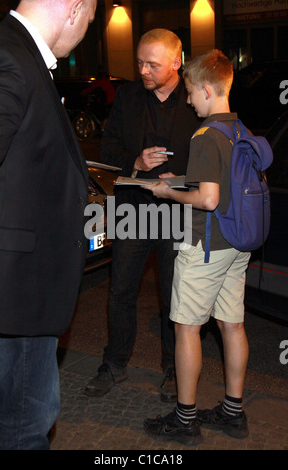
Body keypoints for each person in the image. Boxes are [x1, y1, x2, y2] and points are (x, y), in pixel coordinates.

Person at [0, 0, 97, 450]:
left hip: (24, 288)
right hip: (18, 287)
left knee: (30, 411)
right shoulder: (6, 57)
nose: (85, 31)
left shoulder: (21, 56)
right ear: (74, 9)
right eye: (90, 20)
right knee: (27, 420)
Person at [84, 29, 200, 402]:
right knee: (120, 291)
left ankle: (172, 368)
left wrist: (181, 179)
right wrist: (134, 162)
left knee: (174, 296)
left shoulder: (195, 98)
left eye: (152, 64)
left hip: (178, 210)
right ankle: (114, 365)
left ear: (176, 63)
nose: (143, 70)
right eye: (139, 62)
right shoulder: (129, 97)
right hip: (134, 207)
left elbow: (211, 156)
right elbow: (108, 148)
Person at [143, 49, 251, 446]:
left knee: (186, 329)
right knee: (232, 325)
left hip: (205, 245)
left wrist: (169, 190)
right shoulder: (238, 128)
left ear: (207, 89)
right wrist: (185, 176)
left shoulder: (205, 134)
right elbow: (217, 182)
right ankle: (232, 412)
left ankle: (185, 420)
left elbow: (207, 199)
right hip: (237, 245)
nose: (188, 100)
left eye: (190, 93)